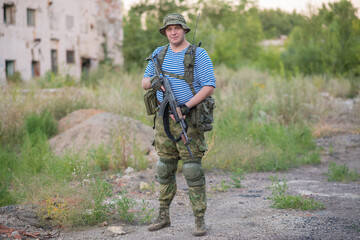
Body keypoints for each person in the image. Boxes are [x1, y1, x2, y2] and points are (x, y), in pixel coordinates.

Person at [142, 13, 216, 236]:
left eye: (177, 28)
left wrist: (185, 106)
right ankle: (163, 216)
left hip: (189, 120)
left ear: (184, 30)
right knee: (164, 168)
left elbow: (209, 86)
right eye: (169, 28)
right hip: (164, 120)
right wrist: (156, 83)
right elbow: (145, 82)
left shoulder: (198, 54)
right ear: (165, 32)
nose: (173, 32)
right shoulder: (159, 53)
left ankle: (199, 220)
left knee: (192, 169)